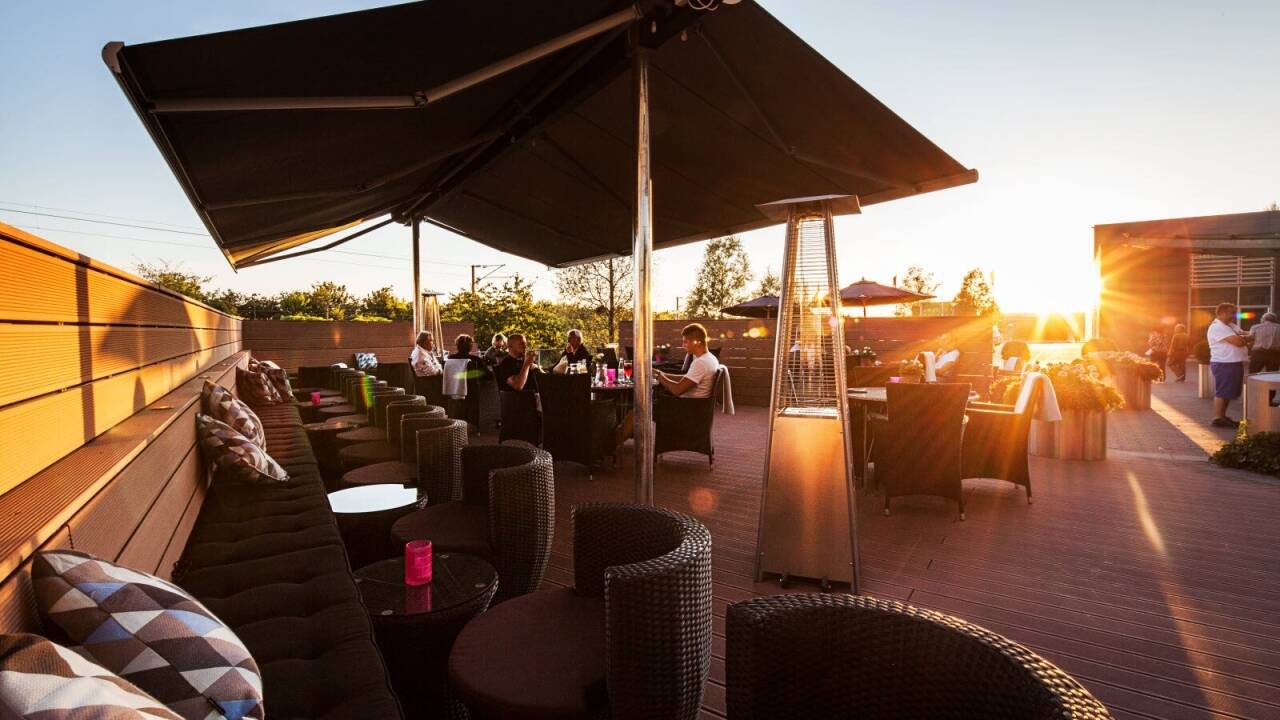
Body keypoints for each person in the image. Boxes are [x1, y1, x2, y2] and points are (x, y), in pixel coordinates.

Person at [1207, 302, 1251, 428]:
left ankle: (1222, 416)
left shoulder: (1230, 325)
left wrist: (1245, 337)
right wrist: (1245, 338)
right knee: (1223, 391)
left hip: (1232, 362)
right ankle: (1217, 418)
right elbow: (1238, 342)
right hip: (1224, 363)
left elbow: (1245, 335)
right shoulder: (1217, 327)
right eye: (1232, 313)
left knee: (1228, 392)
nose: (1234, 315)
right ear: (1222, 313)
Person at [656, 323, 721, 399]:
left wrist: (658, 377)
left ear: (697, 342)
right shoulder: (710, 357)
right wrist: (661, 374)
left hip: (688, 404)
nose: (683, 345)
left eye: (686, 342)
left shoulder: (701, 362)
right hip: (696, 403)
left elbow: (677, 390)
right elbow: (686, 378)